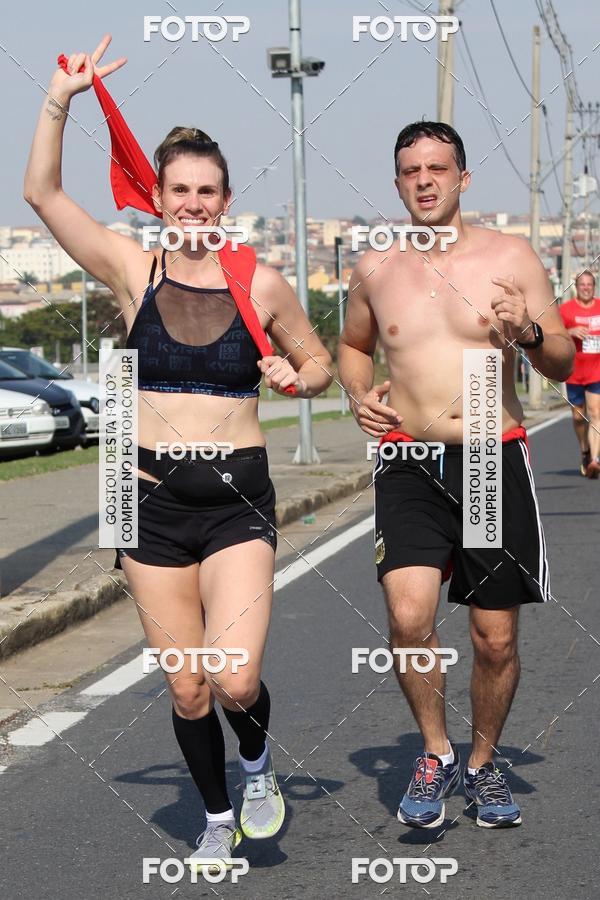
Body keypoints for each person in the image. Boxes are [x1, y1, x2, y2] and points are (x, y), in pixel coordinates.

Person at [24, 36, 332, 871]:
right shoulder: (133, 268)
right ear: (157, 198)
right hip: (150, 506)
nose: (194, 203)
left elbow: (318, 359)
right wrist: (62, 99)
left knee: (234, 680)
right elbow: (42, 193)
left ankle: (259, 766)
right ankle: (215, 814)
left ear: (225, 198)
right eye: (180, 191)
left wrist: (296, 378)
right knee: (188, 685)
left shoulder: (257, 282)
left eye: (207, 190)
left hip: (237, 504)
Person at [339, 121, 574, 829]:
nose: (425, 180)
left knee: (493, 639)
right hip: (409, 456)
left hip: (487, 452)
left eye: (438, 167)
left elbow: (562, 359)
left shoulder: (510, 256)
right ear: (398, 183)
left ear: (463, 178)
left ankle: (484, 762)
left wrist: (528, 334)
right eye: (411, 170)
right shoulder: (375, 267)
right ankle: (438, 752)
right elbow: (353, 347)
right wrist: (360, 396)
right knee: (409, 617)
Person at [559, 270, 600, 477]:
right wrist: (571, 332)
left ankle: (594, 459)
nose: (586, 288)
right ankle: (584, 450)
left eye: (589, 284)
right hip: (574, 372)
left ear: (594, 286)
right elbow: (553, 336)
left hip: (597, 371)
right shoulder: (566, 310)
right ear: (577, 286)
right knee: (578, 416)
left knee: (595, 413)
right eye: (582, 284)